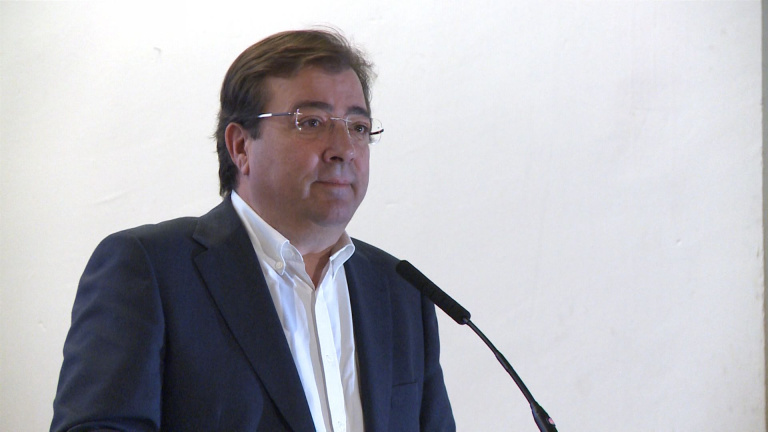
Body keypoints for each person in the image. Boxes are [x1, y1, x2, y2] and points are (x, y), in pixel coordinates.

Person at [50, 29, 455, 432]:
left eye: (358, 126)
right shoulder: (151, 271)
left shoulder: (400, 291)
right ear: (241, 146)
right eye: (311, 122)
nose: (344, 149)